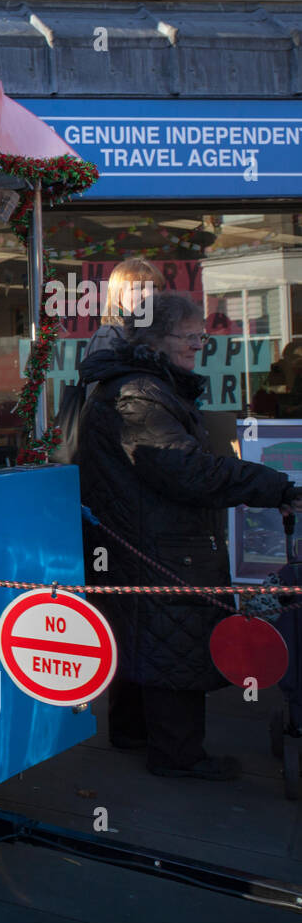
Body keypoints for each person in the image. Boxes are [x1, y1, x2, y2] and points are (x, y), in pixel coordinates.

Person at [79, 290, 301, 780]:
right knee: (172, 641)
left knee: (142, 633)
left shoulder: (139, 386)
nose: (200, 344)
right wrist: (274, 486)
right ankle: (178, 755)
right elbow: (186, 471)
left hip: (142, 537)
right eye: (192, 336)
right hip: (160, 543)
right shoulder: (138, 394)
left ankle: (136, 733)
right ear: (159, 339)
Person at [82, 258, 165, 362]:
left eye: (153, 287)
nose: (148, 294)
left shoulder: (166, 334)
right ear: (118, 295)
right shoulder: (109, 335)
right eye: (137, 288)